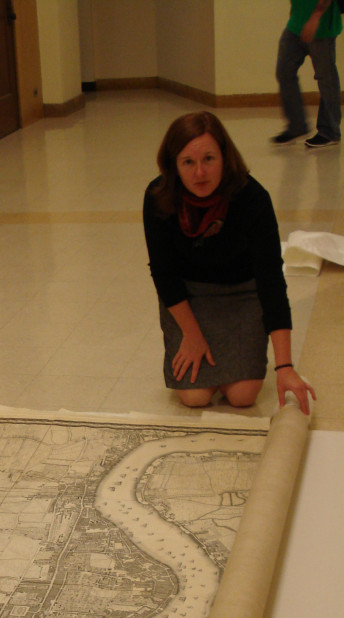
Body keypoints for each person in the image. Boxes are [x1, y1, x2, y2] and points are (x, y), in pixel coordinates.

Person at [143, 111, 316, 414]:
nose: (200, 173)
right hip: (188, 298)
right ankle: (200, 345)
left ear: (225, 157)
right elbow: (164, 273)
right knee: (195, 397)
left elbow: (271, 281)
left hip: (243, 295)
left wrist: (285, 366)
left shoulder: (252, 199)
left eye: (208, 159)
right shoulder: (158, 197)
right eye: (188, 162)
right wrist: (192, 335)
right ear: (173, 166)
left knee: (243, 395)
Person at [272, 0, 342, 148]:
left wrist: (315, 16)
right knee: (284, 71)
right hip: (296, 23)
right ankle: (297, 126)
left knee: (326, 77)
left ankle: (330, 131)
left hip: (321, 26)